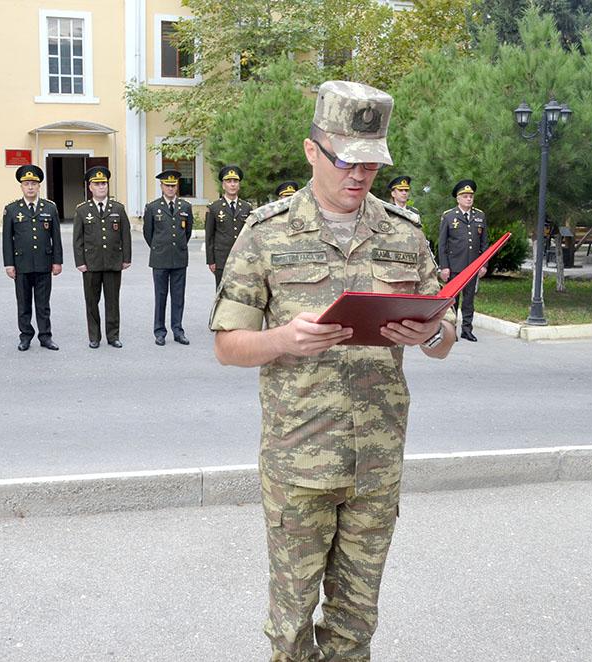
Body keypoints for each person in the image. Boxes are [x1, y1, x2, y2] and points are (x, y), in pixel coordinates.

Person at [209, 80, 457, 661]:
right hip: (299, 462)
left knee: (355, 624)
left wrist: (430, 334)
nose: (360, 176)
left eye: (371, 164)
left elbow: (443, 337)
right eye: (347, 161)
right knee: (291, 624)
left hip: (376, 463)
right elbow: (226, 345)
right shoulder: (266, 232)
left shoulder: (403, 232)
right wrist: (281, 339)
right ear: (311, 150)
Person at [2, 165, 62, 351]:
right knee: (24, 304)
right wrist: (9, 264)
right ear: (21, 186)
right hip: (22, 264)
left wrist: (57, 261)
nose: (30, 187)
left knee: (43, 305)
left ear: (39, 186)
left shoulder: (50, 208)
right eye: (26, 184)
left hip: (44, 263)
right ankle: (25, 336)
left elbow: (56, 237)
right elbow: (7, 240)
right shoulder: (12, 209)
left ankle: (45, 337)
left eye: (33, 184)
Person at [72, 166, 131, 348]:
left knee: (112, 301)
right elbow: (78, 239)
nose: (101, 187)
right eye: (97, 184)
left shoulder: (118, 208)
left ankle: (113, 336)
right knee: (92, 302)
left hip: (113, 262)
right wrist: (80, 262)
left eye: (104, 183)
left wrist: (126, 258)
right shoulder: (82, 210)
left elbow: (125, 235)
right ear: (90, 187)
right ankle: (94, 337)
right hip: (91, 264)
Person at [142, 169, 193, 346]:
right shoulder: (152, 207)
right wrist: (160, 248)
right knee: (161, 296)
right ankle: (159, 332)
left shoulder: (185, 207)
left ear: (177, 186)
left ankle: (178, 331)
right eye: (167, 185)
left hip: (179, 257)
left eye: (173, 185)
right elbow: (148, 233)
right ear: (161, 186)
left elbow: (187, 232)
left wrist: (177, 246)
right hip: (160, 258)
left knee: (178, 297)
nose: (171, 188)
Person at [438, 179, 488, 342]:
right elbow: (442, 244)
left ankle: (467, 329)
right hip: (454, 266)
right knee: (453, 300)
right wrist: (444, 267)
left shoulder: (479, 216)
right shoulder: (449, 216)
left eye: (471, 196)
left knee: (469, 300)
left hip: (473, 266)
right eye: (465, 196)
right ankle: (451, 330)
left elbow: (484, 243)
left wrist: (484, 264)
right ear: (458, 198)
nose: (469, 199)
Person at [206, 165, 252, 289]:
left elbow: (250, 235)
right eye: (228, 181)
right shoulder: (214, 207)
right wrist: (211, 260)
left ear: (239, 185)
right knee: (222, 292)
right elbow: (209, 236)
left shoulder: (246, 207)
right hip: (222, 259)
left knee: (241, 292)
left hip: (242, 259)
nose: (232, 184)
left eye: (235, 181)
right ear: (223, 185)